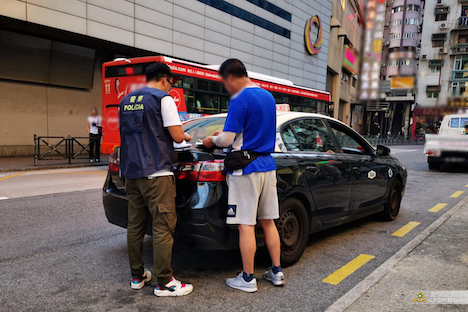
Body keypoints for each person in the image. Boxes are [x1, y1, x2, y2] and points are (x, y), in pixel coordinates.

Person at [202, 59, 284, 292]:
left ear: (230, 78)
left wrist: (213, 139)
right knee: (268, 222)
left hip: (245, 168)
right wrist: (227, 134)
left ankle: (248, 278)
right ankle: (276, 271)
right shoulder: (268, 96)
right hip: (267, 165)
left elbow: (227, 140)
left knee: (245, 225)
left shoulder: (240, 98)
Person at [119, 62, 193, 297]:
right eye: (170, 82)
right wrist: (185, 134)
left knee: (135, 226)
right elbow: (178, 136)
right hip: (157, 173)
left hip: (132, 174)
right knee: (162, 227)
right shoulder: (163, 99)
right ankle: (165, 282)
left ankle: (137, 276)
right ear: (165, 79)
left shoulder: (126, 100)